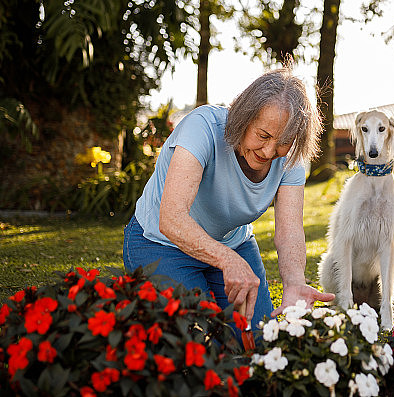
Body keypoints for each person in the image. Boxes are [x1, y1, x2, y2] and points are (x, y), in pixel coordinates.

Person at [123, 67, 334, 330]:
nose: (269, 151)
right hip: (161, 242)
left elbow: (289, 229)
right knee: (197, 337)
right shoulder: (202, 127)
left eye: (283, 141)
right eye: (263, 136)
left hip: (232, 243)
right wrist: (228, 260)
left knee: (256, 341)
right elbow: (172, 218)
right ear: (243, 118)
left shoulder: (291, 155)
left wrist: (294, 281)